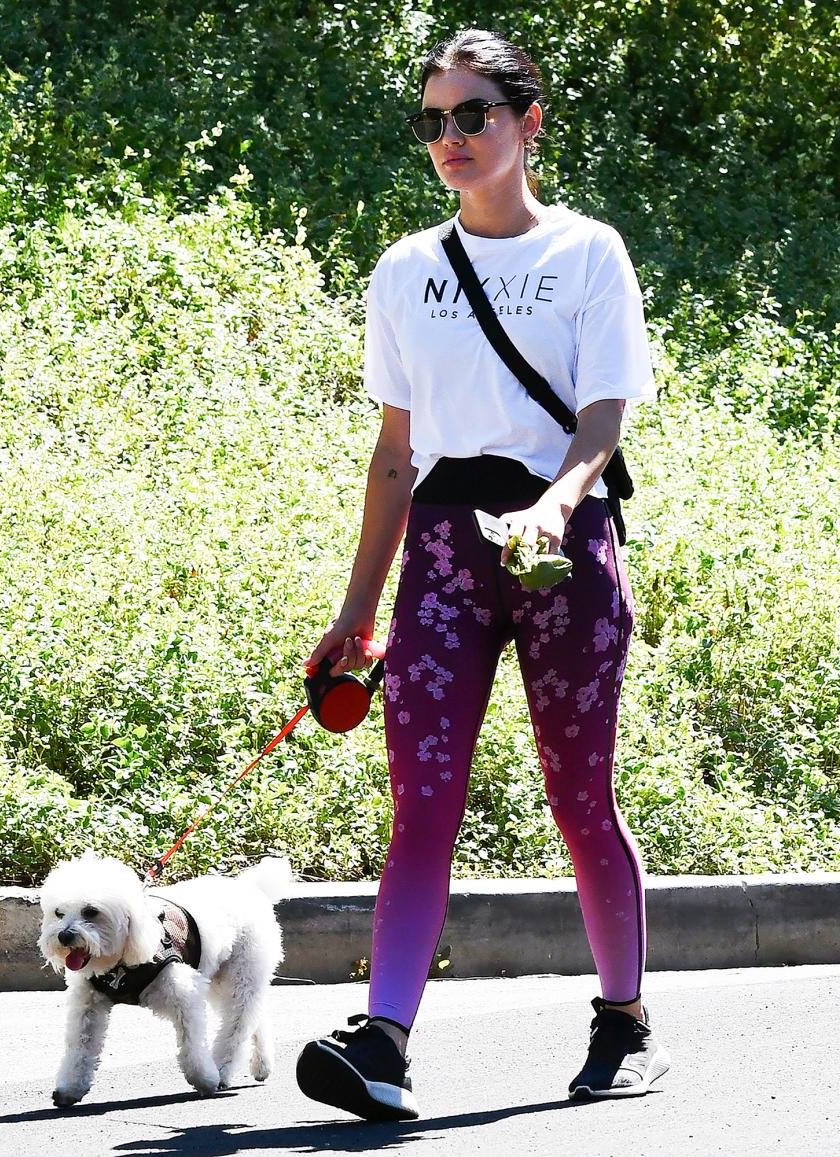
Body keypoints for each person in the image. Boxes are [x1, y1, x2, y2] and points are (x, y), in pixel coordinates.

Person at [295, 28, 669, 1122]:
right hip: (447, 555)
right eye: (433, 122)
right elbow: (395, 453)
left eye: (474, 116)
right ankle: (383, 1041)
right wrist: (354, 609)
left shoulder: (590, 251)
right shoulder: (405, 270)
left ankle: (625, 1020)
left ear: (529, 121)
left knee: (577, 790)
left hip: (566, 549)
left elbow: (604, 408)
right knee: (423, 801)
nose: (450, 138)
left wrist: (558, 501)